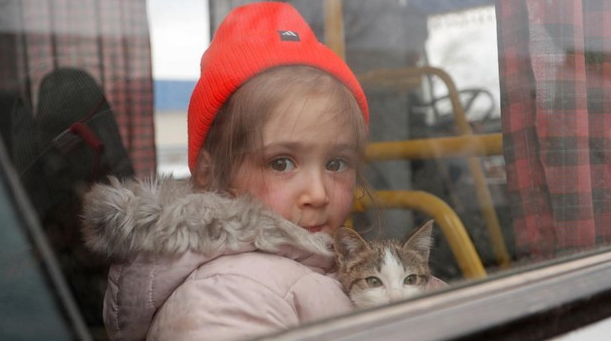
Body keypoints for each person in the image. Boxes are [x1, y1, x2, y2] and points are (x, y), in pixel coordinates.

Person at [81, 2, 444, 341]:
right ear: (208, 173)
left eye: (336, 163)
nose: (318, 193)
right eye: (281, 162)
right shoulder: (224, 297)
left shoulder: (325, 260)